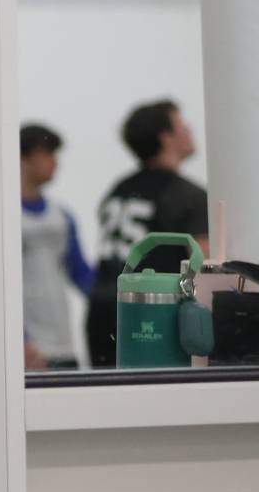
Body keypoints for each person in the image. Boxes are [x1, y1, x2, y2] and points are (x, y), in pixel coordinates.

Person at [84, 100, 209, 369]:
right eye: (182, 124)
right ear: (166, 137)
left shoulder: (118, 189)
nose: (190, 129)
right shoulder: (188, 196)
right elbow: (205, 265)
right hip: (150, 313)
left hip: (101, 307)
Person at [18, 123, 95, 370]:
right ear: (24, 158)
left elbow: (82, 275)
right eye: (47, 153)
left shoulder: (62, 217)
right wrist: (20, 341)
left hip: (65, 346)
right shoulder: (3, 220)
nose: (55, 162)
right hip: (28, 353)